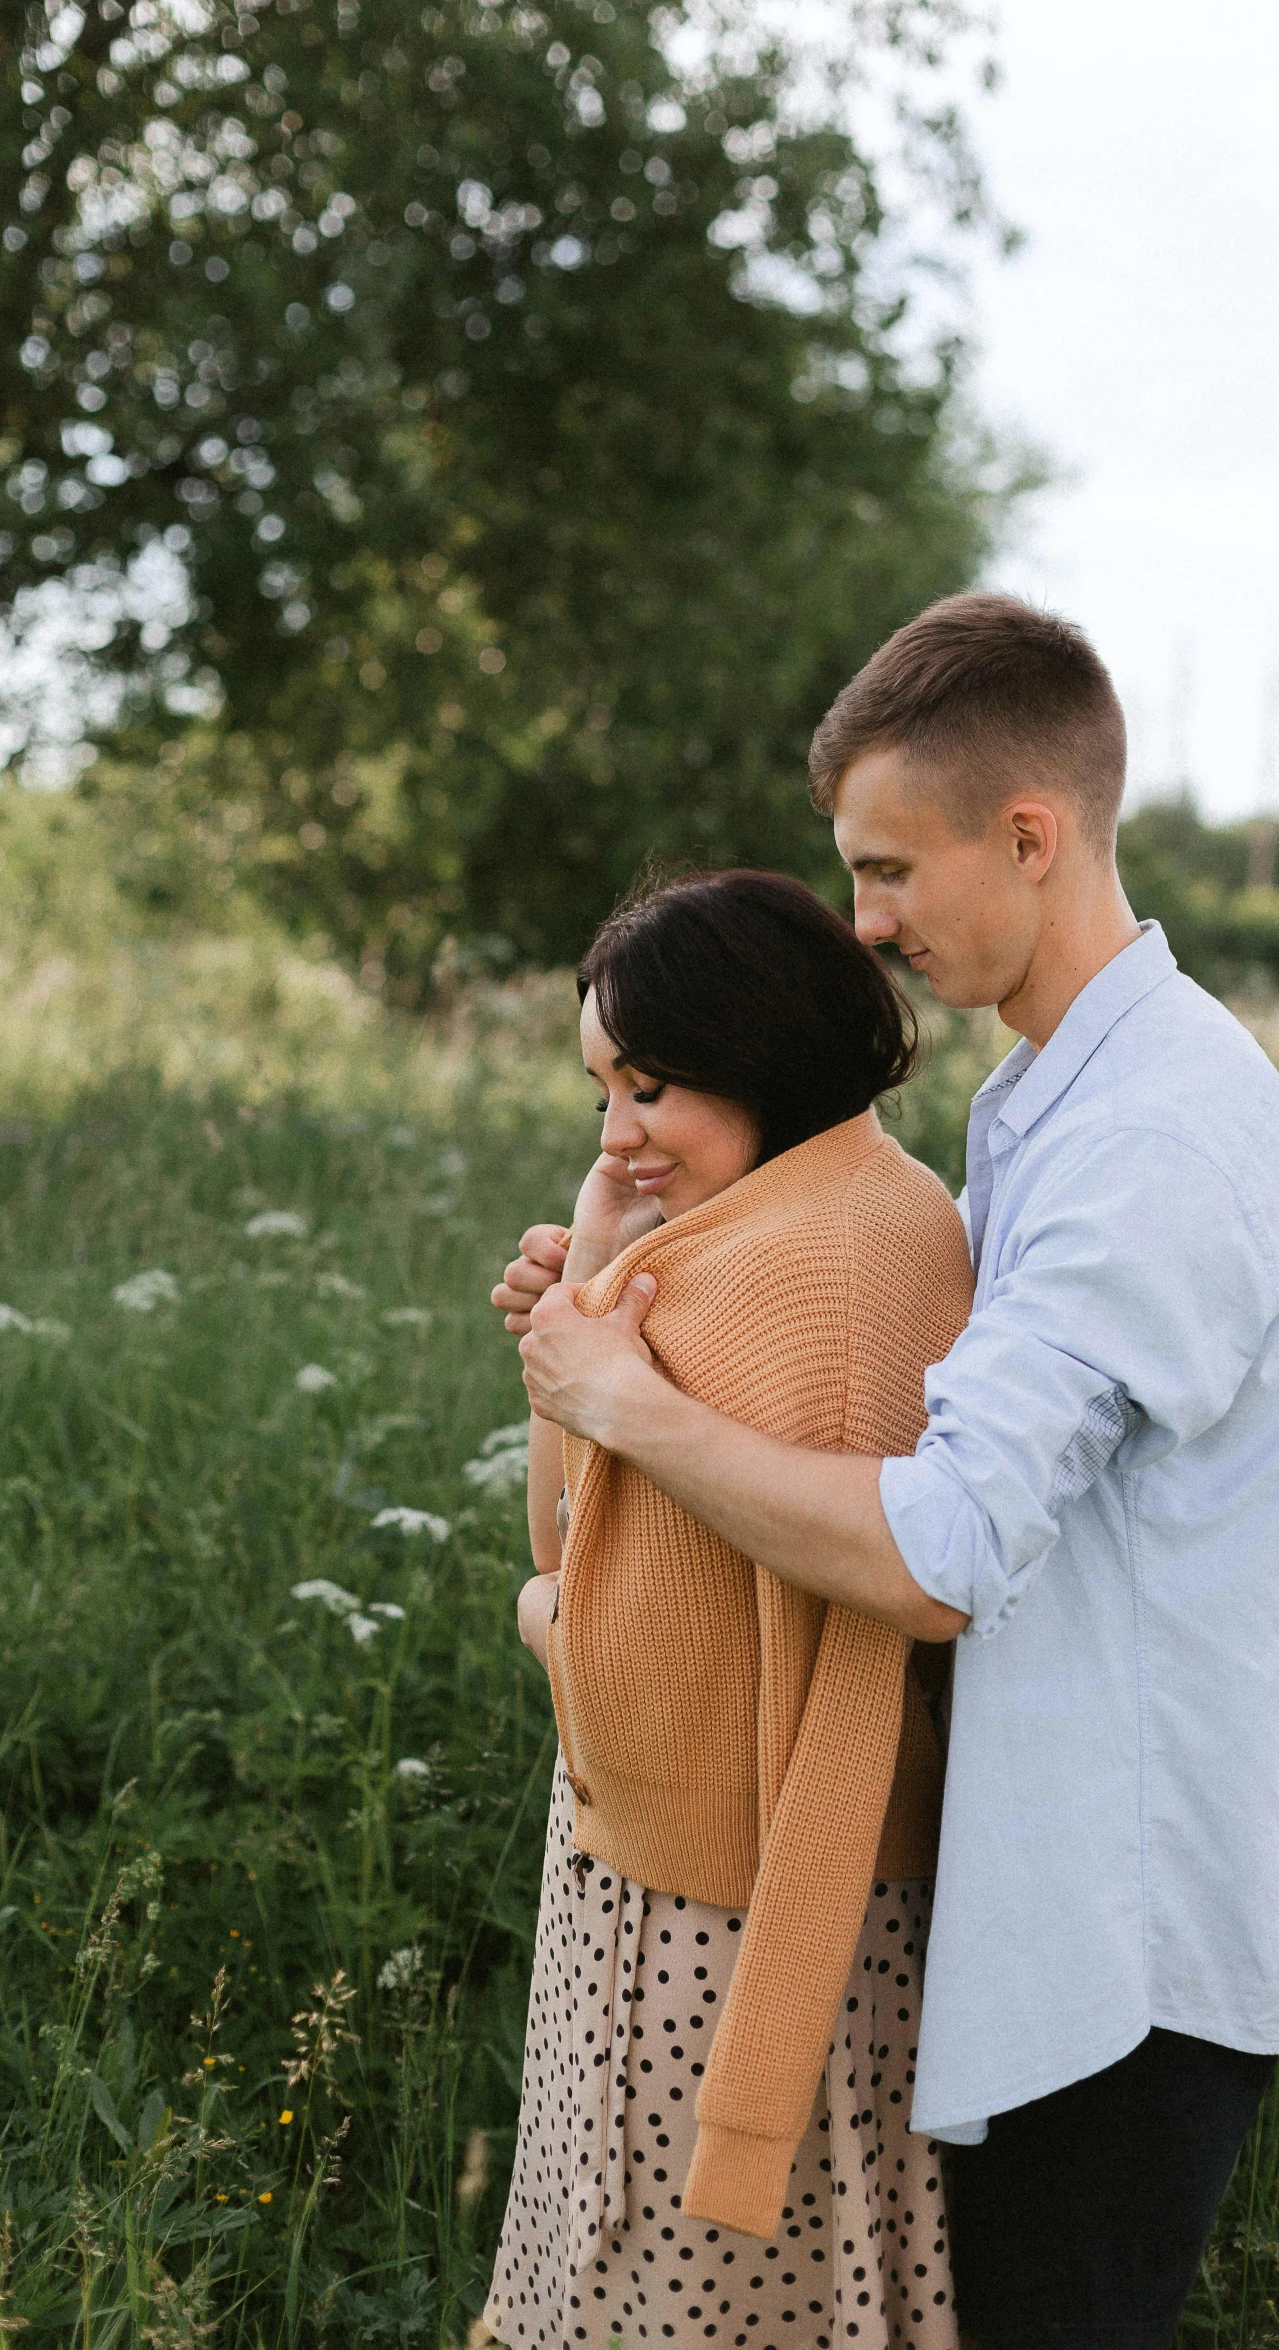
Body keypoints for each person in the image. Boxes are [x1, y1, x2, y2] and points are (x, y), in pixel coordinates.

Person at [497, 594, 1279, 2350]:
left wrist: (623, 1401)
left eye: (890, 868)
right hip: (1046, 1890)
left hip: (1133, 1933)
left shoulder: (1155, 1139)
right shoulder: (1053, 1090)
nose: (865, 919)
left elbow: (940, 1550)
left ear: (1029, 837)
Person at [482, 869, 974, 2350]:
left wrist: (539, 1616)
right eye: (597, 1094)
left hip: (746, 1919)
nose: (618, 1130)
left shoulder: (819, 1273)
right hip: (647, 1879)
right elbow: (578, 1531)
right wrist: (599, 1253)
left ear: (760, 1054)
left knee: (697, 2306)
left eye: (650, 1087)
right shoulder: (762, 1222)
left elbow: (847, 1643)